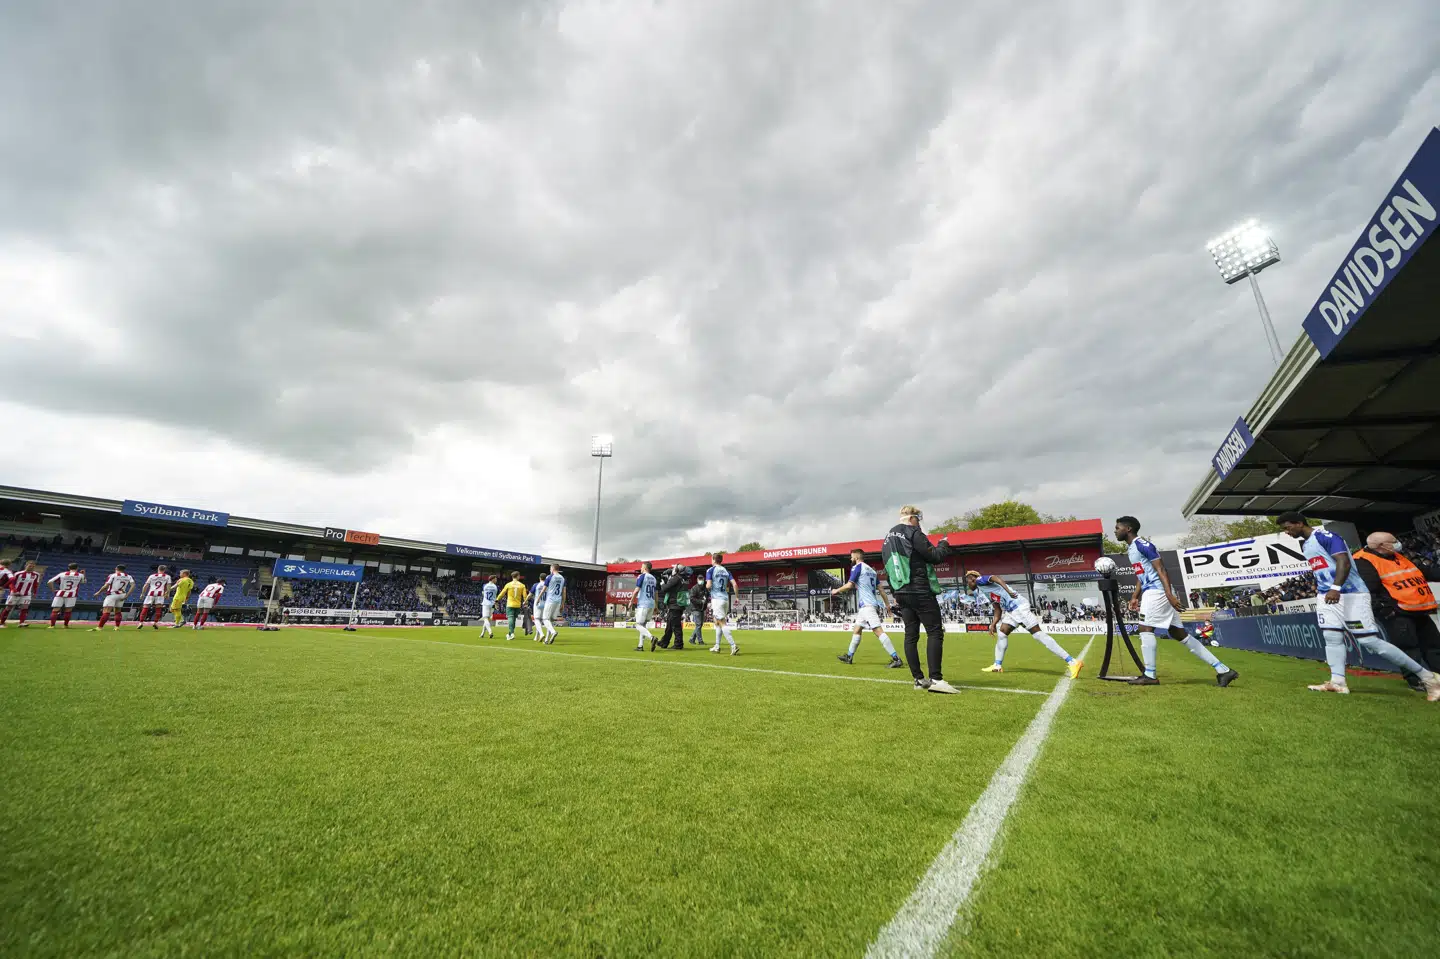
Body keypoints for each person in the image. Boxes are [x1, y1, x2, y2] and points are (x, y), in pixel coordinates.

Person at [1276, 514, 1440, 700]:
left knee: (1370, 641)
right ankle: (1337, 682)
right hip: (1326, 596)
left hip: (1351, 594)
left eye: (1288, 527)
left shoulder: (1327, 537)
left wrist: (1335, 588)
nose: (1287, 532)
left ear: (1299, 523)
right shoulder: (1305, 545)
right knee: (1331, 636)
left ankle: (1427, 677)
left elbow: (1343, 562)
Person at [1115, 516, 1237, 687]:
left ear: (1128, 529)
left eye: (1117, 527)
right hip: (1153, 591)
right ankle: (1223, 670)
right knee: (1178, 633)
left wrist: (1169, 594)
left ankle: (1150, 675)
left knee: (1145, 628)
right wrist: (1135, 596)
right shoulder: (1131, 549)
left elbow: (1161, 569)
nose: (1115, 531)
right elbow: (1141, 575)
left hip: (1157, 592)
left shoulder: (1143, 545)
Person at [882, 505, 958, 693]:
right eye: (918, 519)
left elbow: (887, 568)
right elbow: (934, 556)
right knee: (934, 632)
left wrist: (895, 593)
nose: (919, 523)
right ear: (912, 518)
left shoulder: (887, 538)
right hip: (919, 589)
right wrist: (943, 544)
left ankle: (918, 679)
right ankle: (936, 679)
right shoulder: (913, 532)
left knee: (911, 635)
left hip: (901, 591)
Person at [1353, 531, 1440, 690]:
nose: (1397, 542)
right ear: (1381, 546)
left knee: (1434, 645)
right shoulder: (1363, 561)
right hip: (1397, 613)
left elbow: (1423, 572)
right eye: (1393, 541)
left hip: (1418, 610)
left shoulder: (1396, 556)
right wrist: (1386, 611)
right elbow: (1368, 590)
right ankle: (1415, 680)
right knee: (1408, 648)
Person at [965, 569, 1082, 678]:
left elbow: (995, 578)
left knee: (1038, 635)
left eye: (967, 582)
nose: (968, 585)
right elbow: (997, 609)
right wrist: (993, 624)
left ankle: (1073, 662)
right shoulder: (984, 591)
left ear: (972, 579)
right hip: (1012, 611)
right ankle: (997, 665)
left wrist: (1009, 591)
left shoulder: (980, 581)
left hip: (1018, 607)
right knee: (1002, 633)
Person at [831, 547, 903, 668]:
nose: (851, 558)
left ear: (857, 557)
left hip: (867, 605)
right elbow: (881, 589)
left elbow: (849, 585)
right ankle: (849, 656)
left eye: (852, 556)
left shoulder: (857, 567)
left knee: (878, 631)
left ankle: (896, 658)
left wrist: (836, 590)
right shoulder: (872, 571)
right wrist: (887, 605)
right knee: (857, 630)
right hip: (868, 606)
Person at [706, 552, 739, 655]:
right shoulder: (726, 571)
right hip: (725, 599)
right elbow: (735, 584)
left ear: (713, 560)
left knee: (721, 622)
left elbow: (708, 585)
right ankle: (717, 646)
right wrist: (737, 597)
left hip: (717, 599)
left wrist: (707, 586)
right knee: (716, 622)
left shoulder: (710, 570)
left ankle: (733, 645)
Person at [657, 564, 691, 650]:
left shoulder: (676, 578)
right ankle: (664, 642)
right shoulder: (683, 579)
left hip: (674, 605)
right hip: (678, 605)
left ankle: (678, 644)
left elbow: (665, 588)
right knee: (670, 625)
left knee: (676, 626)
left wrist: (663, 583)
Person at [91, 565, 135, 631]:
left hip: (112, 594)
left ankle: (99, 627)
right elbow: (133, 585)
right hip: (122, 595)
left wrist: (98, 592)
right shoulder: (129, 576)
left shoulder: (113, 575)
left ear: (116, 569)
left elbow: (106, 586)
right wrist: (127, 595)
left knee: (106, 611)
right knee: (118, 611)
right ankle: (117, 627)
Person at [1, 561, 42, 627]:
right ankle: (2, 623)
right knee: (8, 608)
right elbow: (11, 583)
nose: (31, 567)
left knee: (25, 608)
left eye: (33, 566)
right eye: (30, 566)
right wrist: (14, 591)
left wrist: (35, 592)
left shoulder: (36, 574)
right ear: (26, 565)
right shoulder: (18, 573)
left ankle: (21, 623)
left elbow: (35, 584)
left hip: (27, 594)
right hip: (15, 594)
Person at [47, 562, 86, 629]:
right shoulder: (80, 575)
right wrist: (83, 574)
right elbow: (83, 582)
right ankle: (65, 625)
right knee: (68, 610)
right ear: (77, 568)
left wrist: (53, 590)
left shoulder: (62, 574)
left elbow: (49, 582)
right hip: (72, 594)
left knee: (55, 610)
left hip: (60, 593)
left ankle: (52, 625)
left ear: (68, 568)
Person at [136, 565, 172, 629]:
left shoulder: (152, 576)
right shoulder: (167, 577)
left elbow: (146, 585)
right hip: (160, 594)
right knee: (158, 609)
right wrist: (167, 594)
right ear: (164, 570)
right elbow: (168, 586)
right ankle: (155, 623)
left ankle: (140, 622)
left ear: (158, 569)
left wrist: (142, 594)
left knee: (145, 607)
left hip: (151, 593)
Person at [633, 561, 659, 651]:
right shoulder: (654, 578)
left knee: (637, 625)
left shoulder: (642, 576)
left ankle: (651, 638)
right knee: (643, 625)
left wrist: (631, 601)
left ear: (645, 568)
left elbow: (636, 590)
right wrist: (656, 606)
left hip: (643, 604)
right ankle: (640, 646)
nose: (640, 568)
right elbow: (656, 593)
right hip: (651, 604)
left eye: (641, 567)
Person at [499, 571, 528, 641]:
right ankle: (510, 634)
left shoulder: (508, 584)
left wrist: (497, 600)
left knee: (510, 618)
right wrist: (526, 602)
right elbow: (525, 596)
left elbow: (502, 593)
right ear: (518, 576)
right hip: (517, 605)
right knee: (514, 619)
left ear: (512, 577)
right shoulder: (522, 585)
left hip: (510, 604)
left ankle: (511, 633)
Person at [540, 564, 565, 644]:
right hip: (558, 601)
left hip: (550, 600)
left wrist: (537, 598)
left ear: (552, 568)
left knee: (545, 619)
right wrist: (562, 604)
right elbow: (564, 592)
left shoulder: (549, 577)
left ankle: (553, 632)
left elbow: (544, 589)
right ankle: (547, 639)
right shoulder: (562, 578)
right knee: (550, 620)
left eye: (550, 568)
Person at [687, 575, 708, 645]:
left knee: (699, 625)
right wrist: (700, 601)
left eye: (702, 579)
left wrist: (706, 601)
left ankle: (691, 639)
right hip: (695, 608)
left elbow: (707, 595)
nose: (701, 580)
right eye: (700, 579)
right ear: (697, 579)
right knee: (698, 625)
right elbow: (692, 598)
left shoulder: (705, 588)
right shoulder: (694, 588)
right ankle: (700, 641)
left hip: (702, 608)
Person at [528, 573, 547, 639]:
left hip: (538, 603)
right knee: (541, 620)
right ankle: (536, 636)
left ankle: (541, 634)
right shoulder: (548, 585)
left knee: (536, 619)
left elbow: (530, 594)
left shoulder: (536, 585)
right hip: (546, 604)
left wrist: (525, 601)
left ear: (539, 578)